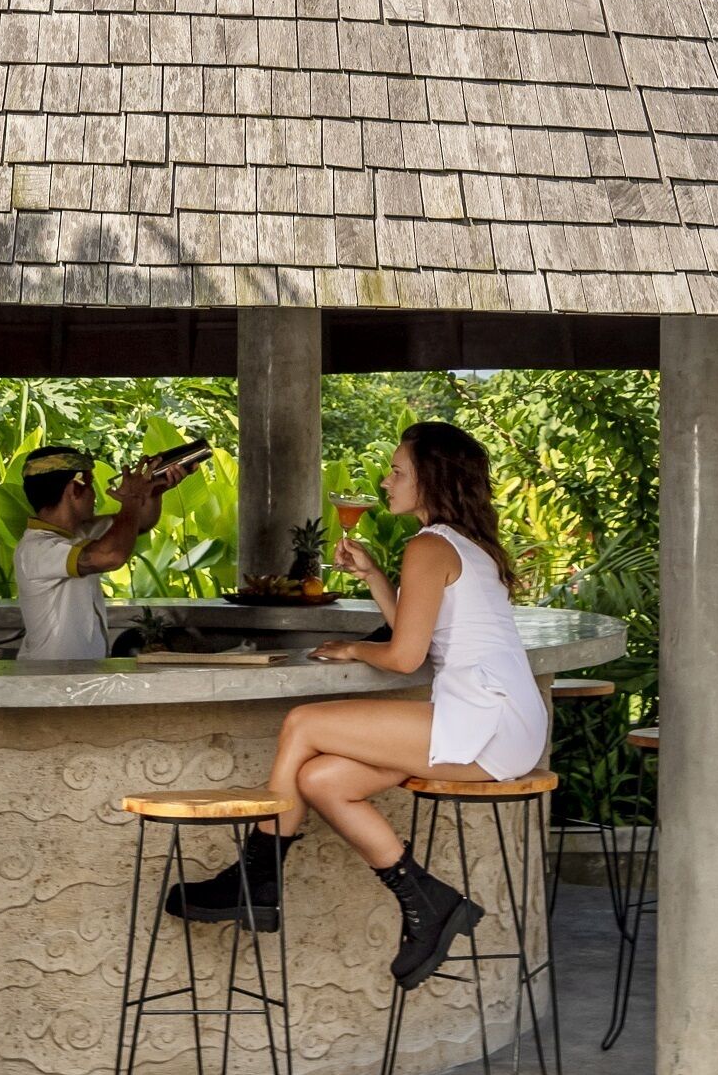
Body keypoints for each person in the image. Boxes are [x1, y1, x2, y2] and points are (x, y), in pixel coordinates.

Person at [168, 420, 544, 987]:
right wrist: (373, 576)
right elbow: (419, 639)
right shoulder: (455, 544)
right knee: (321, 779)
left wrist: (350, 647)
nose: (386, 481)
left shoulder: (429, 545)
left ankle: (257, 878)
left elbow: (403, 658)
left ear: (432, 480)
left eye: (398, 472)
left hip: (484, 721)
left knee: (303, 722)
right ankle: (427, 899)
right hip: (498, 722)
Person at [12, 444, 165, 661]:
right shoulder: (36, 549)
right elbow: (112, 554)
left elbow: (139, 522)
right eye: (90, 484)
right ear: (74, 489)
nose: (94, 495)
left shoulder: (79, 533)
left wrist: (154, 491)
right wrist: (131, 498)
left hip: (75, 678)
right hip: (50, 679)